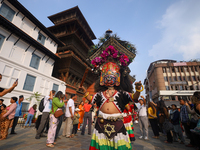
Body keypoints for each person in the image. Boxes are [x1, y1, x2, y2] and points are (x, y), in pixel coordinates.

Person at [80, 45, 142, 150]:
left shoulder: (122, 93)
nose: (109, 80)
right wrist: (85, 92)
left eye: (111, 77)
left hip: (117, 124)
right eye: (107, 77)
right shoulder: (100, 93)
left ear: (117, 79)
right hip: (101, 124)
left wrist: (138, 90)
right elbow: (91, 99)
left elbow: (134, 97)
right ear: (103, 79)